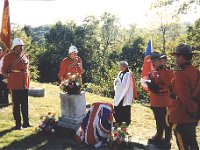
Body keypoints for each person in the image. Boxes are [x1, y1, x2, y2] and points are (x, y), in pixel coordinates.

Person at [169, 44, 199, 150]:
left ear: (181, 57)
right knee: (193, 144)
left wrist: (192, 111)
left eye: (177, 56)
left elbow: (184, 98)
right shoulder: (196, 71)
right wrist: (195, 112)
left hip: (181, 115)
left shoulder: (181, 74)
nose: (176, 59)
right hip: (192, 114)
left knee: (184, 146)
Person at [2, 38, 31, 130]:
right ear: (14, 47)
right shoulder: (8, 56)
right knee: (17, 104)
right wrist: (10, 79)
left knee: (25, 103)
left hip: (25, 83)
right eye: (19, 47)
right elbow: (3, 71)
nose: (21, 48)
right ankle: (18, 124)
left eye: (22, 46)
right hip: (15, 83)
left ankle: (26, 122)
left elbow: (27, 69)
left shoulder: (25, 56)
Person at [146, 52, 174, 149]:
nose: (153, 63)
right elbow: (151, 83)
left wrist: (158, 88)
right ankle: (159, 135)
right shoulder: (152, 72)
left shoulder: (167, 72)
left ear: (161, 61)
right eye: (152, 61)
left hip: (164, 102)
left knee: (166, 122)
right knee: (158, 120)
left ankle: (167, 139)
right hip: (154, 101)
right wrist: (149, 85)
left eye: (155, 61)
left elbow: (171, 86)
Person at [113, 61, 137, 126]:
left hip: (125, 94)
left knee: (125, 108)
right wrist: (115, 82)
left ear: (124, 67)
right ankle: (118, 121)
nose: (119, 67)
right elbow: (117, 80)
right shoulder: (120, 73)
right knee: (117, 107)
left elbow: (127, 85)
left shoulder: (128, 74)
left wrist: (122, 92)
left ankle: (125, 122)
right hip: (119, 93)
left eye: (120, 66)